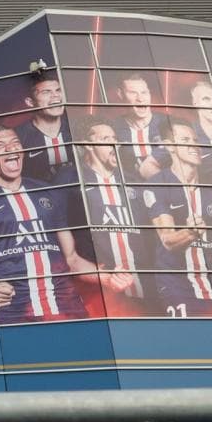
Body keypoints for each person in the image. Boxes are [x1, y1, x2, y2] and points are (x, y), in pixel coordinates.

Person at [0, 124, 122, 323]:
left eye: (15, 143)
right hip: (14, 314)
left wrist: (107, 277)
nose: (11, 148)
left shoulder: (48, 192)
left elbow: (72, 259)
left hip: (68, 308)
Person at [144, 118, 212, 317]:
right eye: (185, 140)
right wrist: (191, 232)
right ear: (169, 146)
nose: (194, 145)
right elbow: (168, 240)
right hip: (178, 286)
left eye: (195, 140)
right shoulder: (158, 184)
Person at [75, 116, 149, 313]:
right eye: (106, 139)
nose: (114, 144)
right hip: (103, 295)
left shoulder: (133, 182)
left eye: (115, 138)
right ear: (88, 145)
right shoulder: (72, 183)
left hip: (147, 290)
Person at [110, 73, 170, 181]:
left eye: (144, 92)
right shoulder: (112, 129)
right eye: (133, 93)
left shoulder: (169, 124)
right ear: (120, 94)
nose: (140, 99)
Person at [15, 72, 73, 183]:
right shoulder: (18, 137)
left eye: (58, 90)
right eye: (46, 92)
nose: (55, 95)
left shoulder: (77, 129)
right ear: (30, 102)